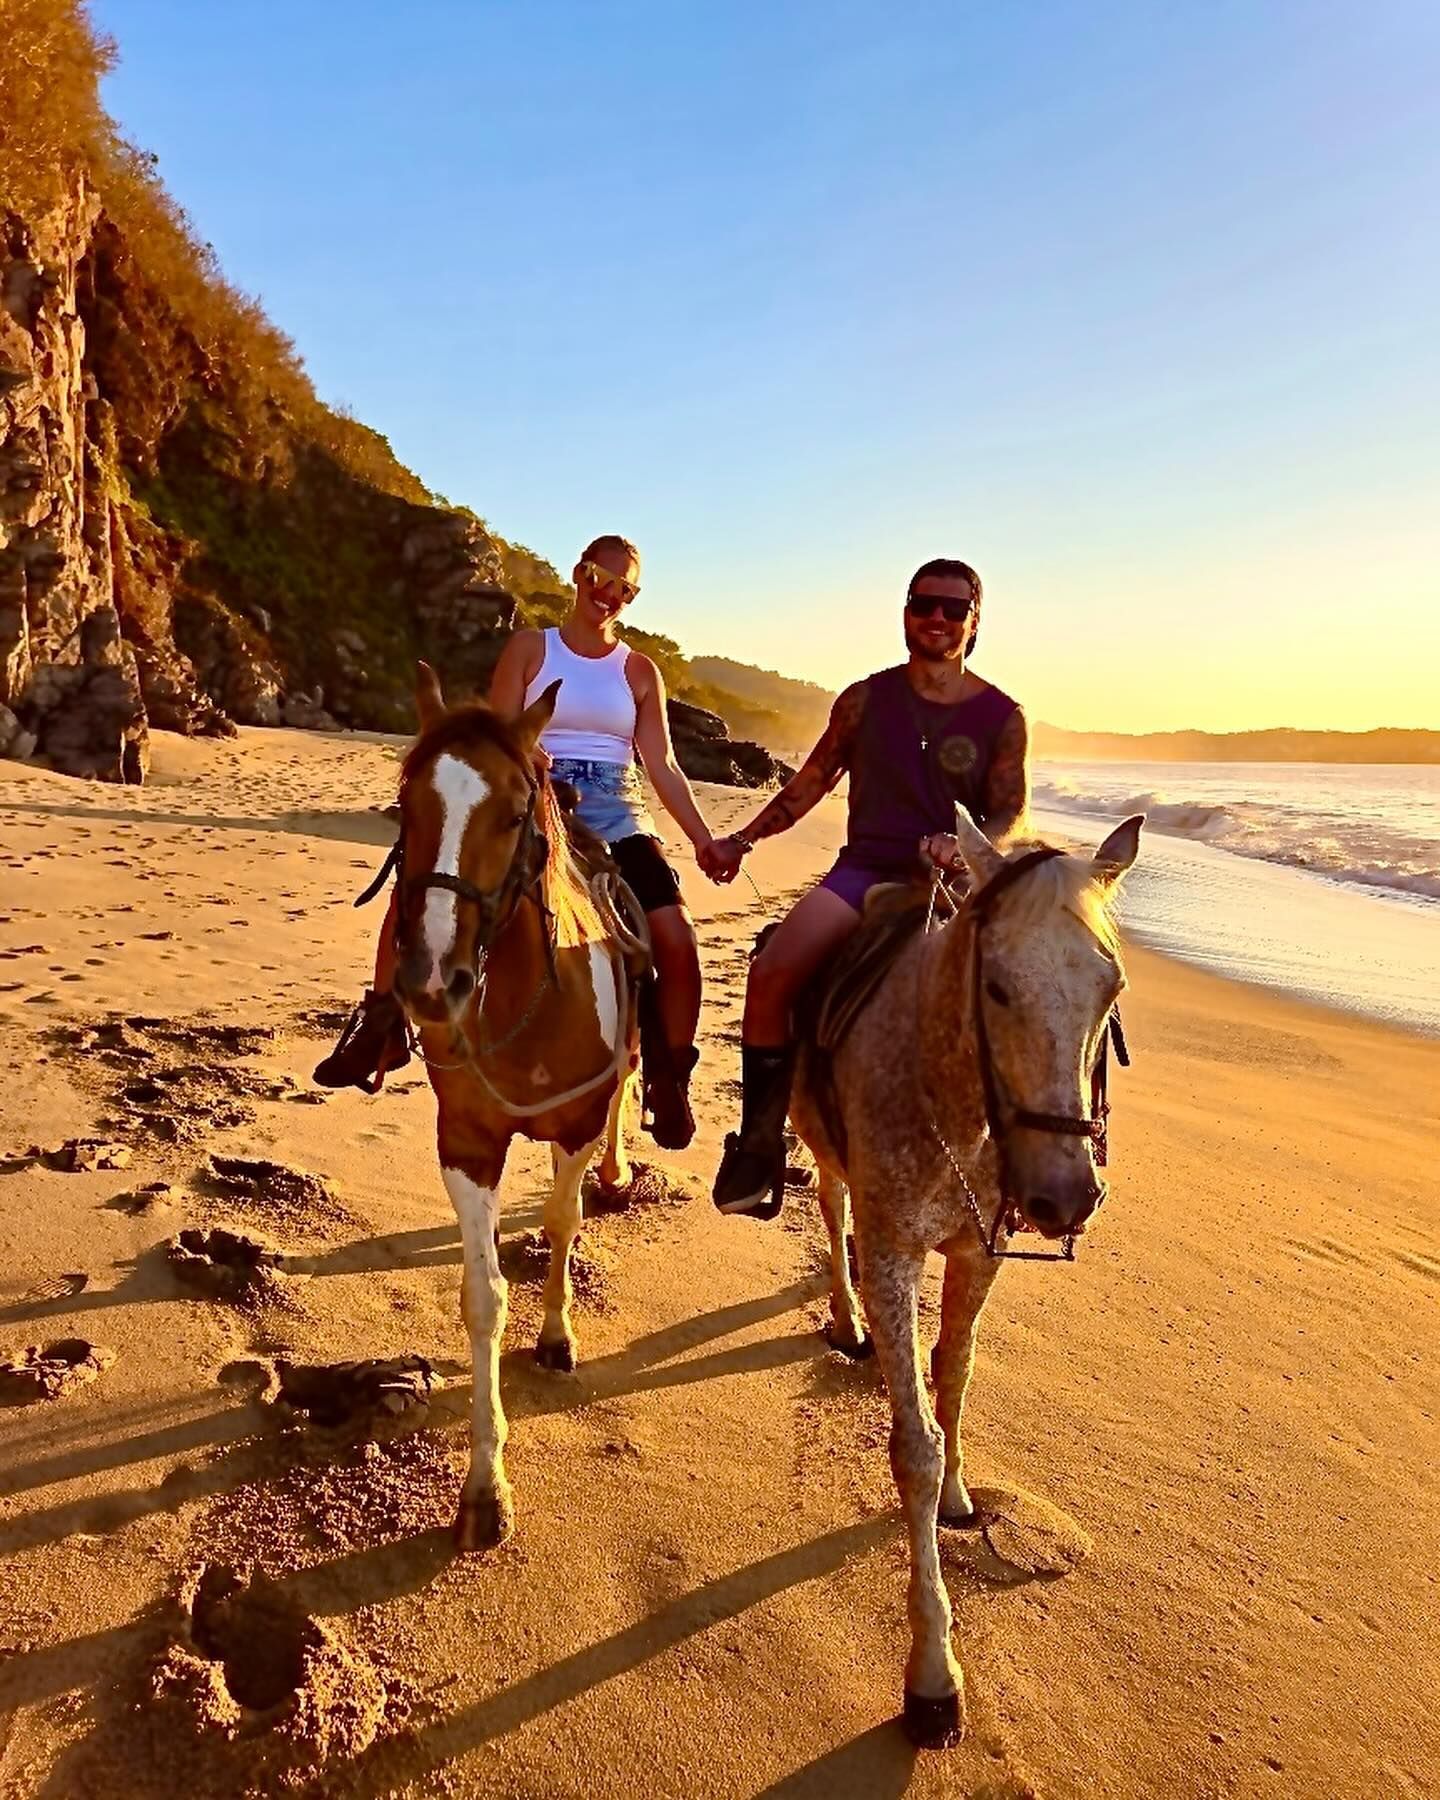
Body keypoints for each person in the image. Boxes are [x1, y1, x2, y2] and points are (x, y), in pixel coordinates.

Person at [314, 534, 722, 1150]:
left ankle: (669, 1075)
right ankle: (380, 1025)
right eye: (601, 578)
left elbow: (661, 764)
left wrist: (703, 839)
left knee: (677, 936)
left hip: (617, 811)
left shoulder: (639, 670)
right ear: (579, 574)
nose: (610, 594)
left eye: (626, 589)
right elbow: (498, 734)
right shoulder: (533, 648)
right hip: (532, 797)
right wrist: (525, 755)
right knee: (422, 887)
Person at [707, 557, 1030, 1219]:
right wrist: (743, 840)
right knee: (770, 973)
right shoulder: (864, 700)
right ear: (905, 613)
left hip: (956, 882)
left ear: (975, 622)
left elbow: (1010, 812)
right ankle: (759, 1148)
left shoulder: (1003, 715)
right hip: (867, 872)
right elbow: (810, 783)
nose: (937, 618)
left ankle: (1048, 1156)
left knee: (1043, 983)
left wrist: (967, 842)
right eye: (923, 604)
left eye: (953, 609)